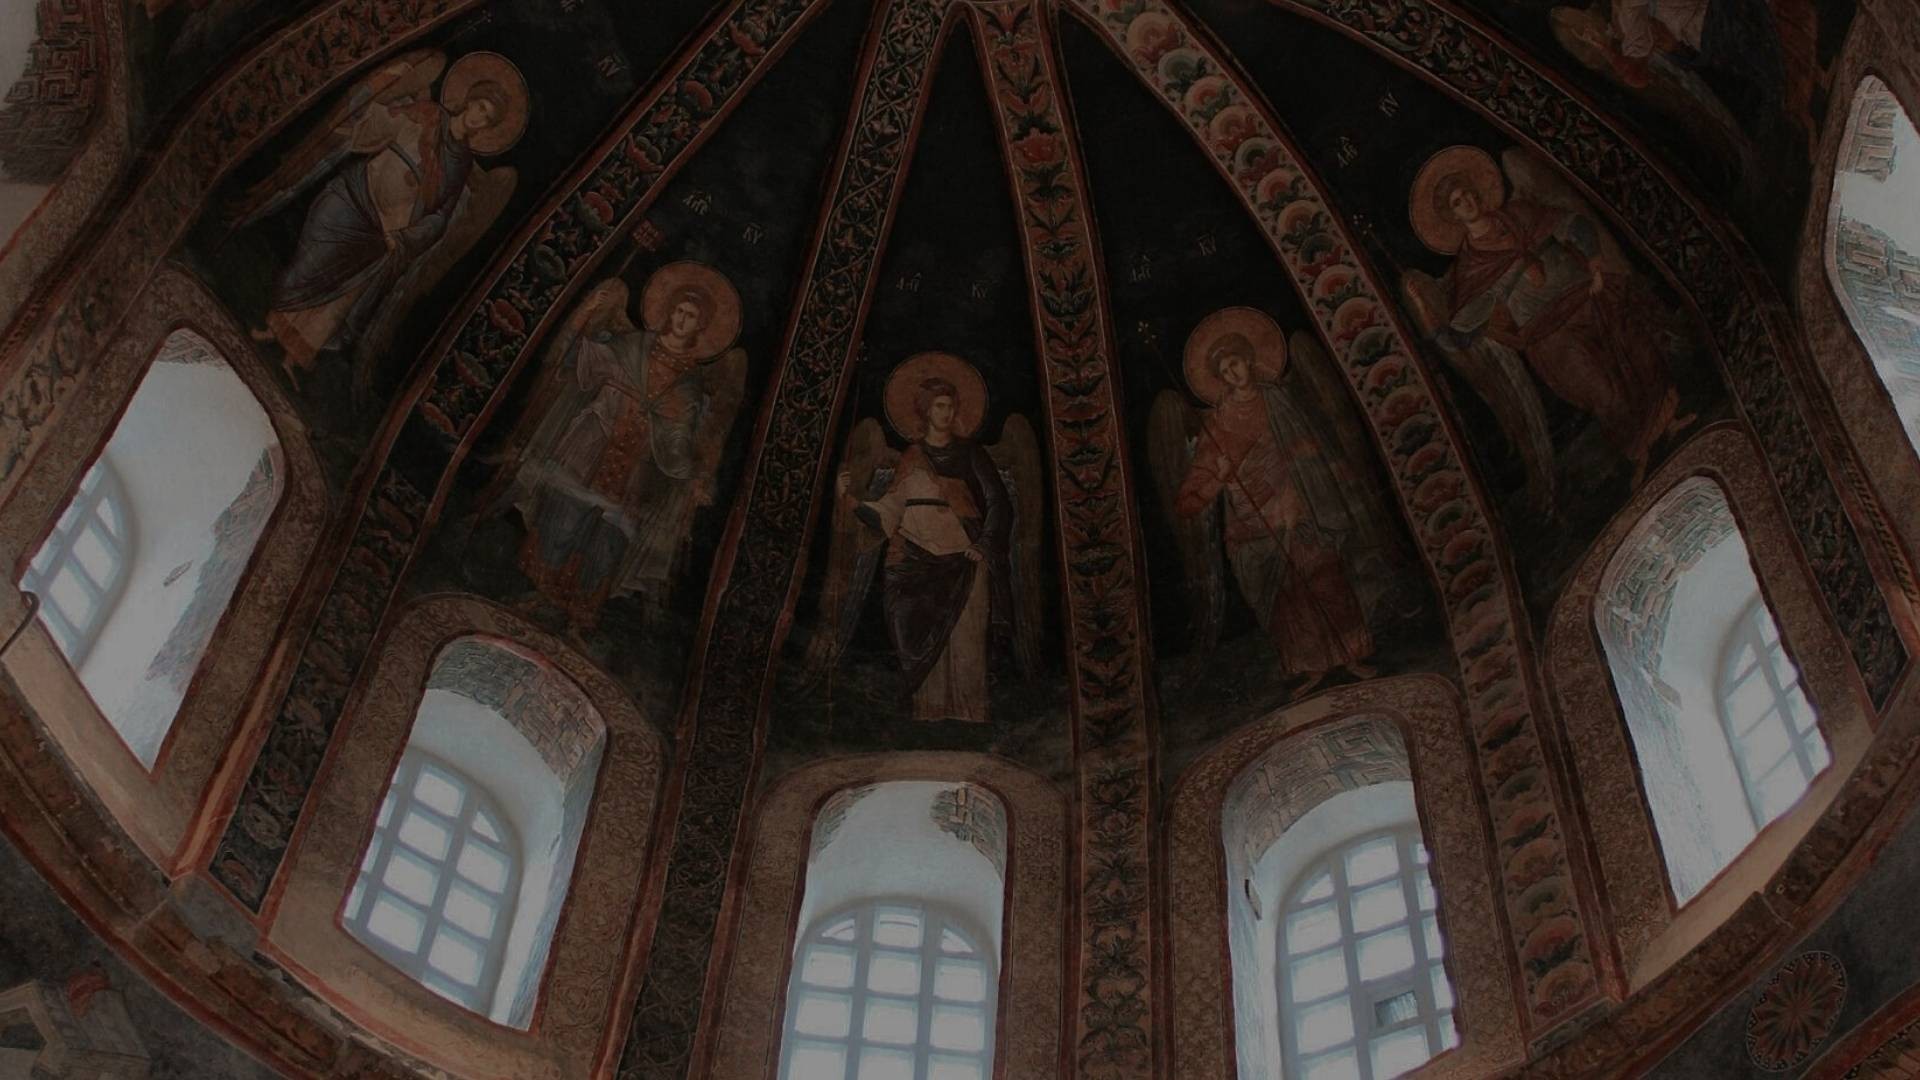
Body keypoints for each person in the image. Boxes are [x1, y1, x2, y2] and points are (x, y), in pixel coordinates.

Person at [247, 68, 517, 379]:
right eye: (481, 107)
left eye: (488, 118)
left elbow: (441, 216)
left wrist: (403, 238)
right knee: (314, 255)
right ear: (469, 101)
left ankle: (293, 359)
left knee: (343, 295)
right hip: (360, 191)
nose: (479, 118)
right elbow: (381, 125)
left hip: (388, 229)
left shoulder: (461, 165)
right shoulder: (427, 114)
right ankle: (274, 327)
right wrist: (370, 111)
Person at [508, 274, 742, 627]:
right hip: (592, 447)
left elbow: (683, 438)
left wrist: (687, 462)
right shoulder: (635, 345)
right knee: (563, 515)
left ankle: (578, 615)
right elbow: (586, 365)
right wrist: (582, 323)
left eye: (690, 315)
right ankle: (540, 593)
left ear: (701, 324)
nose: (680, 319)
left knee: (607, 540)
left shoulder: (691, 384)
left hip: (637, 467)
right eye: (678, 310)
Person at [1429, 168, 1682, 484]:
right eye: (1456, 202)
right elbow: (1471, 317)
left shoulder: (1519, 214)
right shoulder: (1468, 267)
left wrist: (1593, 262)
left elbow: (1572, 223)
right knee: (1600, 392)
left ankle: (1669, 423)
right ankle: (1640, 452)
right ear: (1451, 215)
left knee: (1639, 356)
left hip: (1586, 298)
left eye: (1466, 192)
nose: (1466, 202)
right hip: (1546, 333)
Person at [1174, 333, 1375, 691]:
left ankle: (1352, 655)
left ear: (1248, 360)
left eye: (1234, 362)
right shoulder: (1218, 424)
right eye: (1223, 371)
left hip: (1300, 507)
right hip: (1255, 526)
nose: (1232, 373)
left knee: (1324, 576)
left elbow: (1310, 446)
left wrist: (1294, 494)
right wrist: (1219, 478)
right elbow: (1188, 502)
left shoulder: (1278, 400)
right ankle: (1310, 666)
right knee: (1289, 597)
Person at [837, 377, 1013, 723]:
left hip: (964, 557)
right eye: (939, 406)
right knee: (919, 629)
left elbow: (998, 501)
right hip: (916, 558)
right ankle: (929, 713)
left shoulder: (970, 453)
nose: (946, 413)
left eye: (950, 406)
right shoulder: (912, 456)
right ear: (926, 411)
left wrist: (984, 543)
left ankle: (968, 713)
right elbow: (890, 509)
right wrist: (849, 500)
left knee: (965, 635)